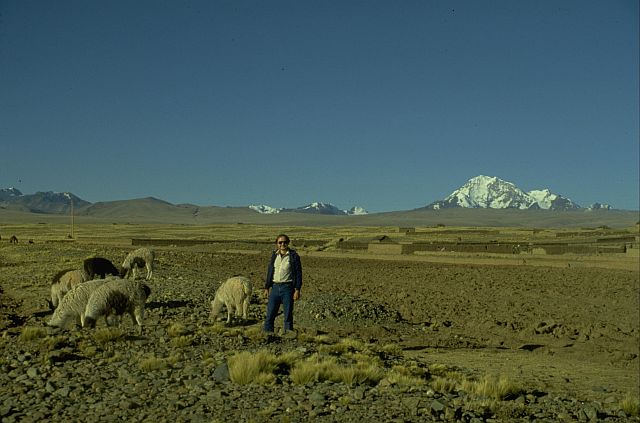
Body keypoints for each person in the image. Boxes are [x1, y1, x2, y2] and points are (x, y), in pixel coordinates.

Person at [263, 234, 302, 337]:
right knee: (270, 314)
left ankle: (288, 337)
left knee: (288, 315)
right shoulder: (274, 255)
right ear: (277, 244)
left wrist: (297, 289)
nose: (282, 244)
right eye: (280, 242)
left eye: (284, 242)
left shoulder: (293, 256)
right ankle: (268, 336)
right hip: (275, 287)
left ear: (288, 243)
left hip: (288, 288)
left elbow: (298, 273)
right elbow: (270, 271)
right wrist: (267, 287)